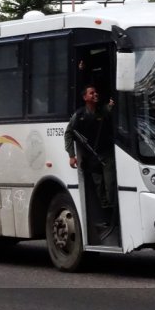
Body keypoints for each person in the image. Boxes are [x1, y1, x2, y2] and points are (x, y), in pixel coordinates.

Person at [64, 85, 117, 223]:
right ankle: (107, 217)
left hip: (106, 154)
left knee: (110, 185)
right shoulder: (79, 115)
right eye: (91, 93)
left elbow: (111, 111)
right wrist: (71, 155)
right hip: (92, 158)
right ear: (85, 97)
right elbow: (69, 133)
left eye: (96, 92)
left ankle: (114, 215)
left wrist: (112, 104)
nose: (95, 94)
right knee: (99, 189)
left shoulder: (103, 110)